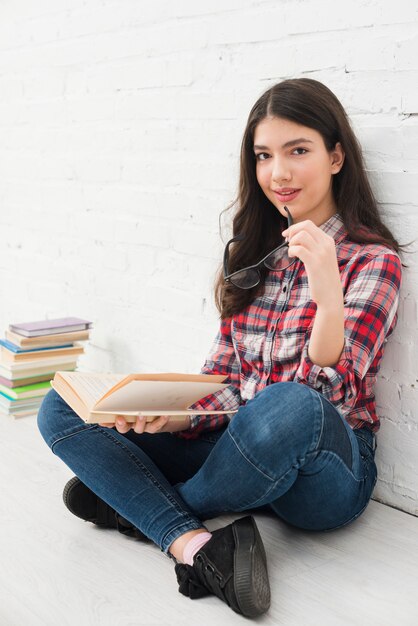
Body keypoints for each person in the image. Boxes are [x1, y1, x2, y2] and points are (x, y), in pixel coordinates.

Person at [37, 78, 402, 618]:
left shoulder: (373, 260)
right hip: (243, 448)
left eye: (298, 151)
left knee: (291, 404)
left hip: (324, 472)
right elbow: (225, 380)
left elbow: (332, 389)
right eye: (264, 155)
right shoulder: (253, 256)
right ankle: (192, 543)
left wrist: (328, 291)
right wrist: (175, 418)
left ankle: (140, 507)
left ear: (336, 156)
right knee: (60, 405)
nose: (277, 172)